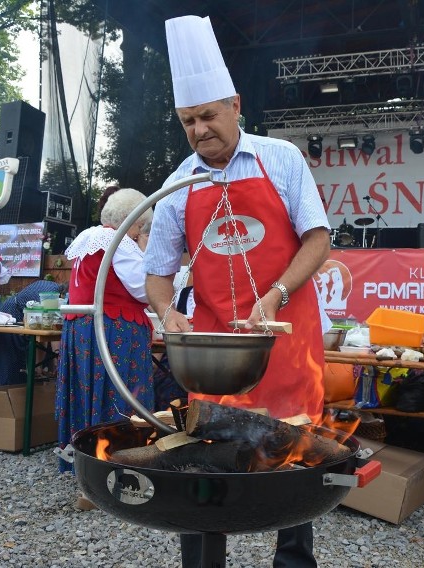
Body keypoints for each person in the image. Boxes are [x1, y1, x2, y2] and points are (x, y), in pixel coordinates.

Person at [143, 16, 331, 567]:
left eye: (207, 116)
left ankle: (292, 561)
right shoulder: (178, 184)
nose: (199, 130)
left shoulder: (281, 159)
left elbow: (317, 240)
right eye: (187, 122)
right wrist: (165, 312)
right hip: (214, 355)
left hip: (286, 342)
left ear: (235, 105)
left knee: (295, 459)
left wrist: (273, 293)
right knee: (206, 459)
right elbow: (158, 274)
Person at [56, 188, 154, 483]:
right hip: (114, 329)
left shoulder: (89, 238)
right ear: (131, 221)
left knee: (86, 392)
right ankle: (116, 464)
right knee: (119, 393)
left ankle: (84, 459)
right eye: (139, 225)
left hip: (82, 328)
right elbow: (142, 288)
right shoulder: (118, 242)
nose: (139, 232)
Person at [0, 279, 66, 387]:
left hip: (27, 320)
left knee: (20, 363)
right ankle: (6, 391)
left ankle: (20, 386)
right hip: (11, 315)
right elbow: (51, 332)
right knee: (9, 360)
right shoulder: (50, 295)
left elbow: (41, 335)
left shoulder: (53, 290)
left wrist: (38, 366)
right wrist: (58, 362)